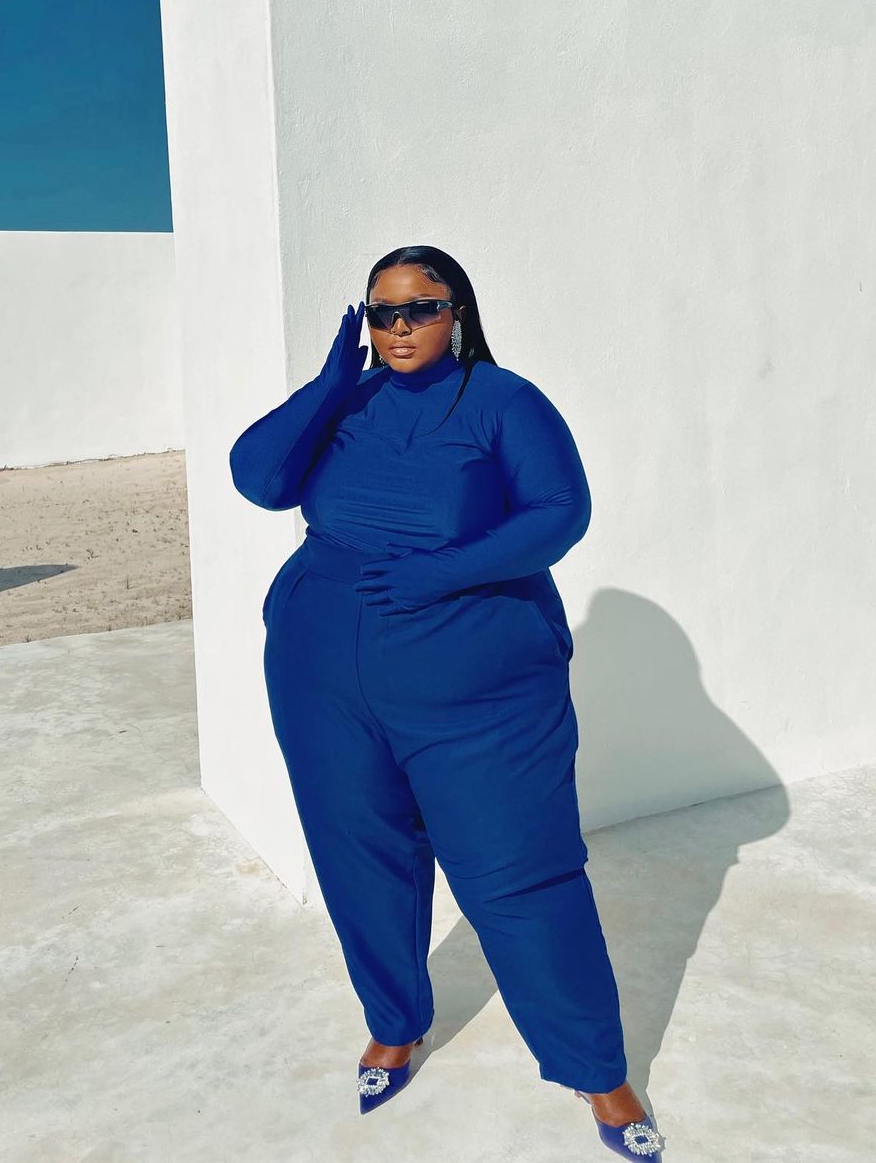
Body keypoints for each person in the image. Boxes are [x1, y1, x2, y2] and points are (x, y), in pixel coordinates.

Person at [228, 246, 666, 1159]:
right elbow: (259, 479)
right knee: (358, 855)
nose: (399, 327)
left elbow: (560, 510)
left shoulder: (504, 401)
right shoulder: (348, 401)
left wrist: (441, 573)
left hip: (475, 686)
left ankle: (598, 1071)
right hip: (320, 674)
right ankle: (394, 1023)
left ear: (456, 311)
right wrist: (327, 383)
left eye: (419, 308)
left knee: (520, 873)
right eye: (381, 312)